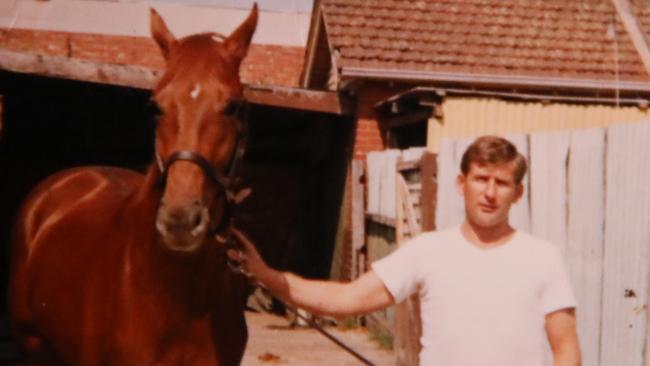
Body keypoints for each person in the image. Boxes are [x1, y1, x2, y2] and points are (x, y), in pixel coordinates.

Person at [229, 135, 581, 366]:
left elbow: (566, 350)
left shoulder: (542, 258)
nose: (490, 193)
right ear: (462, 184)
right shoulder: (428, 252)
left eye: (501, 183)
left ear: (517, 193)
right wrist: (266, 275)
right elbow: (346, 299)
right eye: (480, 179)